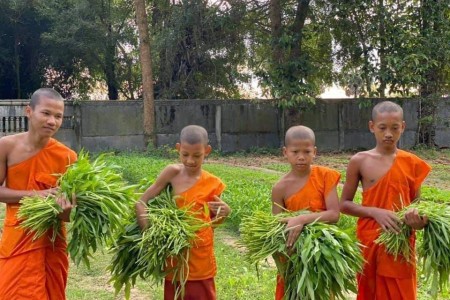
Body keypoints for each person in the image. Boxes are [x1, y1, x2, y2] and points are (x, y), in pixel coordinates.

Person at [340, 101, 431, 300]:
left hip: (400, 242)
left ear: (403, 127)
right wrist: (375, 211)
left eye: (394, 128)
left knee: (402, 292)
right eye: (382, 128)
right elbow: (344, 204)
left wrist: (418, 221)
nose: (388, 133)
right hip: (370, 239)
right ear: (372, 127)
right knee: (369, 291)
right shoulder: (360, 160)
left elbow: (418, 205)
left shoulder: (412, 162)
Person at [135, 125, 231, 300]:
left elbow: (211, 225)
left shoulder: (213, 183)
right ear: (178, 148)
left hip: (200, 257)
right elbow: (141, 202)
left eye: (197, 155)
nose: (190, 161)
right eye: (185, 154)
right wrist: (151, 234)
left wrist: (224, 214)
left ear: (207, 151)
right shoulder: (172, 173)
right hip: (175, 256)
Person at [0, 88, 77, 299]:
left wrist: (66, 212)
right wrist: (38, 195)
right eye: (46, 113)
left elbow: (69, 214)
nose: (52, 121)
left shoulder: (67, 157)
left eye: (58, 116)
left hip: (52, 241)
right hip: (18, 238)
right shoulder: (6, 147)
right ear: (29, 111)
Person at [271, 125, 341, 300]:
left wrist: (302, 219)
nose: (301, 157)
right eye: (295, 152)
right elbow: (275, 224)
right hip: (292, 253)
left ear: (315, 152)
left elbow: (334, 215)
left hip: (320, 254)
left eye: (307, 151)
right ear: (285, 152)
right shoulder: (280, 188)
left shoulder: (325, 176)